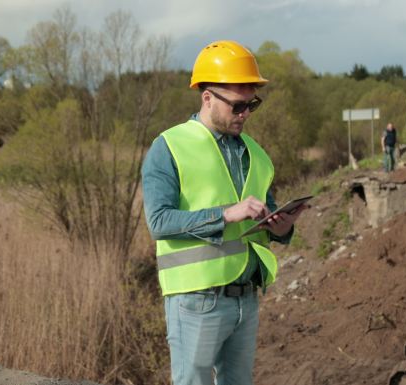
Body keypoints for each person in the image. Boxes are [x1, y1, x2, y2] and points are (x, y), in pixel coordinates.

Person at [141, 40, 306, 385]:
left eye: (252, 105)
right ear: (208, 98)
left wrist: (280, 226)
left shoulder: (256, 154)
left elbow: (266, 220)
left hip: (245, 298)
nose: (245, 114)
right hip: (196, 300)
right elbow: (159, 222)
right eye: (238, 106)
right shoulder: (169, 147)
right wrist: (225, 214)